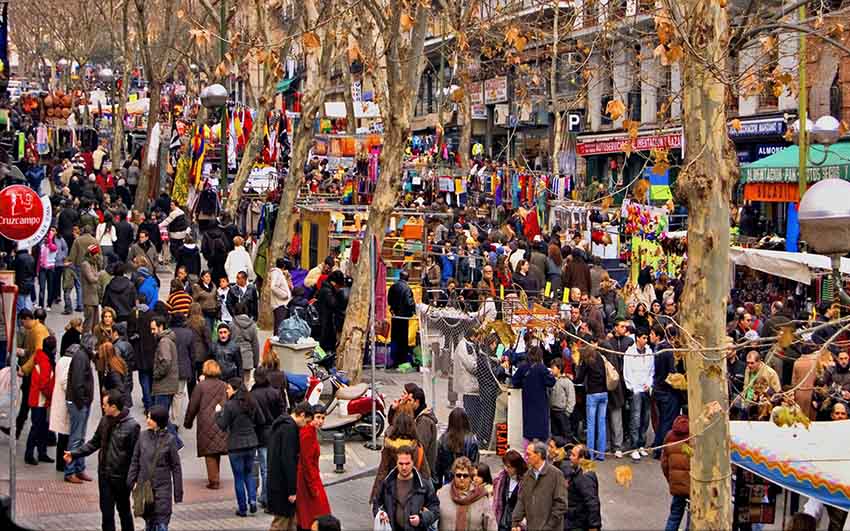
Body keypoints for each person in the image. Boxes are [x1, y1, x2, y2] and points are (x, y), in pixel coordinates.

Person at [65, 389, 140, 531]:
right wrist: (74, 454)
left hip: (121, 478)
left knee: (124, 511)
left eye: (105, 405)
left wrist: (135, 478)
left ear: (114, 407)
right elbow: (94, 443)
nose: (102, 407)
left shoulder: (132, 426)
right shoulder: (105, 420)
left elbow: (136, 456)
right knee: (106, 513)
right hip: (104, 476)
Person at [127, 405, 183, 531]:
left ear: (158, 421)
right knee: (149, 522)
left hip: (162, 488)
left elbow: (176, 467)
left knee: (162, 522)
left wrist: (178, 493)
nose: (147, 420)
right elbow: (135, 460)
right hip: (145, 488)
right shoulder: (142, 437)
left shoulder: (170, 440)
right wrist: (131, 482)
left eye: (150, 418)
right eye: (147, 417)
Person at [216, 377, 265, 517]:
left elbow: (222, 425)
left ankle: (242, 508)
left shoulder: (229, 405)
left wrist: (217, 413)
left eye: (228, 388)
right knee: (248, 474)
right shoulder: (252, 402)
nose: (227, 390)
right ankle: (253, 501)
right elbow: (261, 420)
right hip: (251, 443)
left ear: (234, 389)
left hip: (235, 445)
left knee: (238, 477)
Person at [267, 402, 314, 530]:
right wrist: (292, 490)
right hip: (283, 486)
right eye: (307, 421)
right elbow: (288, 461)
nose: (306, 425)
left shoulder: (282, 424)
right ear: (302, 415)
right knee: (281, 523)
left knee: (289, 522)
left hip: (277, 481)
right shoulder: (289, 429)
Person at [372, 445, 440, 531]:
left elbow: (435, 509)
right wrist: (380, 514)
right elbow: (377, 503)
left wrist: (421, 519)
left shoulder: (424, 485)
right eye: (401, 464)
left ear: (413, 462)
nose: (404, 467)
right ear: (396, 463)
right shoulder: (387, 483)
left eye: (407, 463)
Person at [184, 360, 228, 490]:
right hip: (221, 420)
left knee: (210, 452)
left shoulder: (201, 387)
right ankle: (215, 475)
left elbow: (193, 406)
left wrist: (188, 422)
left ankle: (214, 481)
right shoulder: (224, 385)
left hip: (206, 422)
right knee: (217, 449)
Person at [371, 409, 433, 502]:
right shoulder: (417, 447)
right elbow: (425, 474)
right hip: (413, 494)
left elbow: (382, 472)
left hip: (392, 493)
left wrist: (375, 497)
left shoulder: (389, 447)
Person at [510, 441, 567, 531]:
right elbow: (521, 500)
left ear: (539, 455)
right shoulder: (527, 476)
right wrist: (515, 522)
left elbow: (561, 504)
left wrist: (548, 527)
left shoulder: (556, 475)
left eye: (529, 454)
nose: (526, 457)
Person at [251, 368, 283, 508]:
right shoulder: (275, 393)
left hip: (257, 434)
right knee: (267, 469)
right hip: (272, 433)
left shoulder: (252, 394)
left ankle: (260, 496)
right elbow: (282, 412)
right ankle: (267, 496)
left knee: (256, 468)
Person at [437, 456, 496, 531]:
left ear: (470, 476)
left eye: (465, 475)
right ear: (454, 475)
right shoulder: (443, 493)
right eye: (458, 475)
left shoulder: (480, 495)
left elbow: (491, 525)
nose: (462, 478)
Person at [296, 405, 331, 529]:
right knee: (319, 514)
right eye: (318, 417)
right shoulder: (308, 433)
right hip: (308, 480)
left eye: (323, 418)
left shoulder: (309, 431)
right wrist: (313, 487)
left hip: (308, 478)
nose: (320, 421)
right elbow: (307, 462)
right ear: (311, 417)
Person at [511, 346, 556, 444]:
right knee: (541, 430)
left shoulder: (523, 367)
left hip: (527, 402)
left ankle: (528, 450)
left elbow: (514, 381)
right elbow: (551, 382)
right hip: (540, 403)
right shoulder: (542, 368)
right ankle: (540, 449)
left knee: (528, 429)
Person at [25, 335, 56, 466]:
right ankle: (30, 454)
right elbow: (44, 385)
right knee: (37, 427)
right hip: (40, 401)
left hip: (39, 400)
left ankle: (41, 452)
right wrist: (50, 396)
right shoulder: (45, 362)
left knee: (42, 427)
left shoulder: (41, 358)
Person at [624, 329, 654, 461]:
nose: (646, 340)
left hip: (646, 389)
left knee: (645, 418)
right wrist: (632, 387)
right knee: (635, 418)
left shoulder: (649, 352)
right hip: (635, 389)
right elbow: (627, 372)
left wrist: (649, 384)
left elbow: (651, 371)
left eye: (647, 338)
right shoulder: (629, 353)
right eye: (643, 338)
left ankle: (642, 443)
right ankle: (634, 446)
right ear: (637, 338)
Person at [575, 345, 608, 461]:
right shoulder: (601, 357)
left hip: (592, 394)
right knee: (602, 424)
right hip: (604, 393)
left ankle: (590, 454)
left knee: (591, 425)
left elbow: (579, 379)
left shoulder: (587, 361)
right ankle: (601, 454)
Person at [435, 407, 480, 487]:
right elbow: (474, 465)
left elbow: (438, 466)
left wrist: (438, 486)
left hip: (448, 481)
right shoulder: (472, 440)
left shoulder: (443, 439)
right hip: (466, 482)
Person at [560, 444, 602, 531]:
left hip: (579, 524)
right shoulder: (576, 471)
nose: (570, 457)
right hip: (573, 519)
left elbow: (592, 503)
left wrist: (593, 526)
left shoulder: (585, 476)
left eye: (573, 455)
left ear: (581, 459)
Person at [661, 414, 691, 531]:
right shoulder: (694, 436)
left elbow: (664, 463)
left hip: (677, 486)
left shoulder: (670, 436)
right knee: (692, 516)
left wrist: (671, 481)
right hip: (692, 485)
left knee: (674, 516)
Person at [50, 334, 75, 473]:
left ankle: (60, 463)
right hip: (65, 403)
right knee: (65, 437)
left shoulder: (61, 361)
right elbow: (65, 382)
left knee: (62, 436)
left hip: (59, 402)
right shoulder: (69, 363)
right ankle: (62, 463)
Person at [492, 449, 527, 531]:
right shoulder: (501, 479)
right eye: (505, 466)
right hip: (501, 522)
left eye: (509, 467)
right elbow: (497, 502)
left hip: (517, 526)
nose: (506, 469)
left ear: (517, 467)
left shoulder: (526, 482)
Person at [151, 315, 179, 416]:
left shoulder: (164, 342)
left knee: (160, 418)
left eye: (154, 329)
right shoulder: (167, 340)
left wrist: (156, 374)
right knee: (163, 417)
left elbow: (166, 361)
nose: (152, 332)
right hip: (168, 385)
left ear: (161, 327)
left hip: (164, 386)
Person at [388, 270, 416, 368]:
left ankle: (394, 360)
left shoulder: (393, 286)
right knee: (403, 339)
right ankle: (402, 360)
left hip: (395, 316)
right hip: (404, 317)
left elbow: (389, 301)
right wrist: (413, 310)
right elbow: (409, 302)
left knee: (395, 338)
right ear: (407, 278)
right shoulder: (407, 288)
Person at [315, 270, 345, 356]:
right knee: (324, 345)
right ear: (334, 283)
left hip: (325, 321)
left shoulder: (326, 288)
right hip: (325, 322)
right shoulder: (327, 291)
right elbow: (333, 304)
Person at [230, 302, 260, 386]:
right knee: (246, 383)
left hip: (235, 358)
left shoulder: (231, 324)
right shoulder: (252, 325)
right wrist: (256, 362)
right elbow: (255, 345)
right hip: (248, 358)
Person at [549, 358, 576, 441]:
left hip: (562, 412)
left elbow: (571, 398)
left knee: (566, 435)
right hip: (553, 411)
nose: (551, 370)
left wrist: (567, 412)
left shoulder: (566, 382)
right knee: (555, 435)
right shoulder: (551, 381)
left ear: (559, 368)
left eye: (553, 368)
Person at [81, 244, 102, 334]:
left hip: (95, 297)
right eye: (96, 254)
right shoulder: (85, 264)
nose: (97, 256)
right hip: (89, 298)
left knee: (96, 323)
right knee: (88, 322)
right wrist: (100, 275)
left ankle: (95, 339)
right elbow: (91, 279)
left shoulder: (94, 264)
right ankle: (85, 338)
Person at [269, 258, 292, 334]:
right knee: (279, 326)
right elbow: (273, 287)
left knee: (280, 326)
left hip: (281, 304)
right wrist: (284, 295)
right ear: (284, 266)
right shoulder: (276, 273)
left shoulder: (279, 273)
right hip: (279, 304)